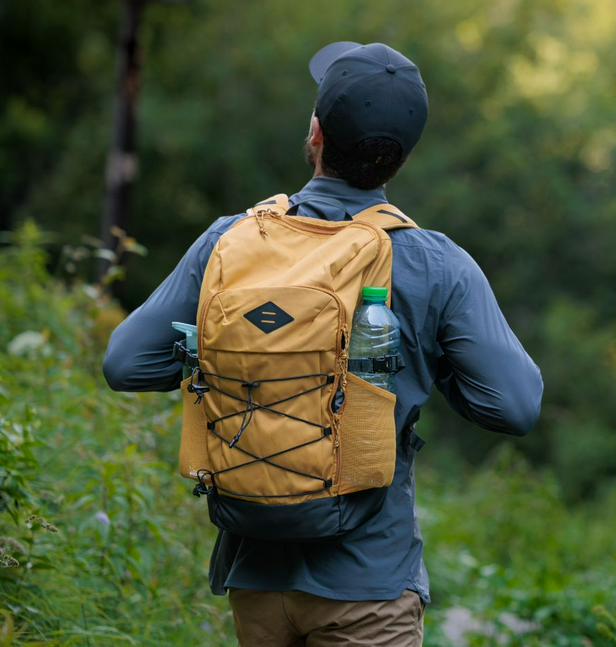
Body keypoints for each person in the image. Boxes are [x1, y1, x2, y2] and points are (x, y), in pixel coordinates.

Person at [102, 41, 543, 646]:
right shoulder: (436, 264)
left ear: (315, 134)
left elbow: (125, 364)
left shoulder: (230, 241)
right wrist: (422, 363)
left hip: (255, 579)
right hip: (369, 585)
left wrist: (222, 350)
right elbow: (515, 406)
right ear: (400, 159)